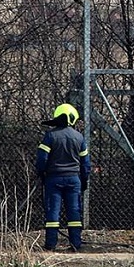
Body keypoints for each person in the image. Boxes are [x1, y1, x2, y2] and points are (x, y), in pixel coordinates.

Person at [35, 103, 91, 252]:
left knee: (53, 212)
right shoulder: (79, 138)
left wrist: (42, 173)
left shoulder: (50, 136)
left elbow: (42, 159)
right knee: (74, 212)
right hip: (74, 180)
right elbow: (85, 164)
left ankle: (50, 245)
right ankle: (75, 244)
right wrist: (84, 181)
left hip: (53, 179)